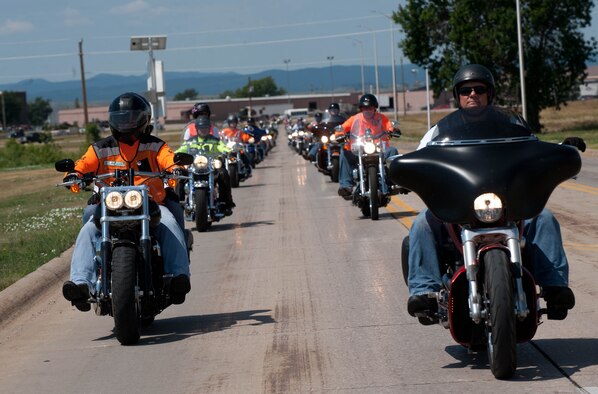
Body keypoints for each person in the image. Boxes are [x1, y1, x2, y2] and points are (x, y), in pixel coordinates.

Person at [406, 64, 585, 324]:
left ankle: (555, 287)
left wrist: (560, 149)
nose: (472, 94)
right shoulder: (438, 132)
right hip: (459, 205)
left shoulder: (511, 124)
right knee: (422, 222)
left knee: (544, 217)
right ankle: (423, 290)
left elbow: (532, 151)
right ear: (458, 95)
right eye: (466, 90)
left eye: (479, 89)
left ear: (490, 93)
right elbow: (420, 157)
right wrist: (402, 166)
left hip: (505, 203)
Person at [62, 92, 191, 311]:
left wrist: (176, 168)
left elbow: (169, 159)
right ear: (113, 120)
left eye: (131, 118)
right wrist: (74, 175)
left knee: (169, 224)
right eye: (122, 118)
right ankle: (81, 283)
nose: (126, 123)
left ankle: (178, 276)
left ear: (144, 119)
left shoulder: (154, 146)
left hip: (151, 202)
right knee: (88, 231)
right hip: (111, 205)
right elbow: (82, 164)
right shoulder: (100, 148)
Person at [336, 94, 399, 199]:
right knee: (344, 154)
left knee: (392, 151)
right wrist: (339, 134)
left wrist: (393, 130)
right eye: (365, 107)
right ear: (361, 108)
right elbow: (343, 128)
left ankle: (395, 182)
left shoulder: (381, 118)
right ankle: (346, 186)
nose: (368, 110)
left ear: (375, 108)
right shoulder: (355, 118)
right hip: (359, 149)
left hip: (379, 150)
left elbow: (389, 126)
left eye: (370, 107)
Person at [176, 116, 236, 215]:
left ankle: (225, 202)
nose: (203, 130)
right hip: (194, 166)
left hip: (210, 166)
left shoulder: (215, 141)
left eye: (205, 128)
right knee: (179, 175)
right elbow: (181, 149)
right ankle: (178, 205)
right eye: (201, 128)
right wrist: (173, 155)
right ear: (197, 129)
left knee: (223, 173)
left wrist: (229, 151)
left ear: (209, 129)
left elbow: (222, 147)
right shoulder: (191, 141)